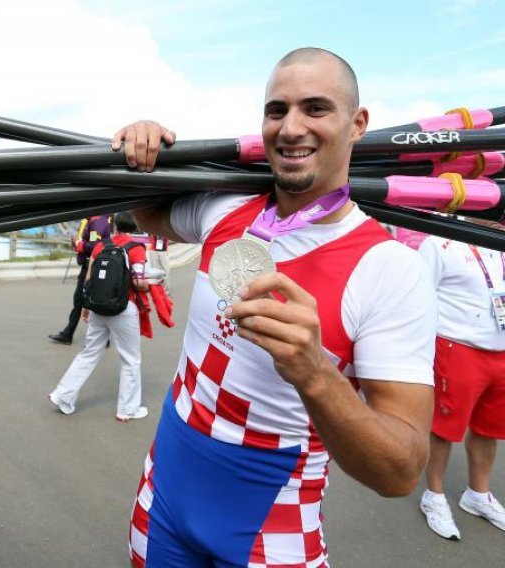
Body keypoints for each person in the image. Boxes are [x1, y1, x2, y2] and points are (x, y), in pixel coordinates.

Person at [112, 48, 437, 567]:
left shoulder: (390, 268)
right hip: (163, 497)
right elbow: (147, 210)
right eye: (276, 110)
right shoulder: (227, 207)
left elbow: (400, 472)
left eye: (315, 108)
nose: (290, 128)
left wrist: (315, 374)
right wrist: (143, 145)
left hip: (272, 525)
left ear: (358, 125)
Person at [417, 234, 505, 540]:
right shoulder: (440, 241)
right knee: (444, 427)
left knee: (488, 428)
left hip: (500, 350)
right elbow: (417, 297)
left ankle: (477, 494)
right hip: (456, 345)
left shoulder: (499, 239)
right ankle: (434, 496)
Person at [48, 212, 150, 421]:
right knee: (130, 359)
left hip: (97, 307)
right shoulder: (136, 249)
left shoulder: (101, 246)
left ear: (115, 226)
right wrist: (151, 286)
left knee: (89, 353)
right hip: (123, 309)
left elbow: (89, 276)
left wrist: (87, 305)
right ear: (135, 225)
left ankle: (63, 395)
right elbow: (139, 283)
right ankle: (127, 410)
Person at [49, 214, 111, 345]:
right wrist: (78, 243)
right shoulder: (93, 220)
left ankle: (72, 335)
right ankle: (69, 334)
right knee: (81, 300)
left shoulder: (97, 221)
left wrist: (79, 244)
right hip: (89, 264)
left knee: (84, 300)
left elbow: (95, 245)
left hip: (92, 266)